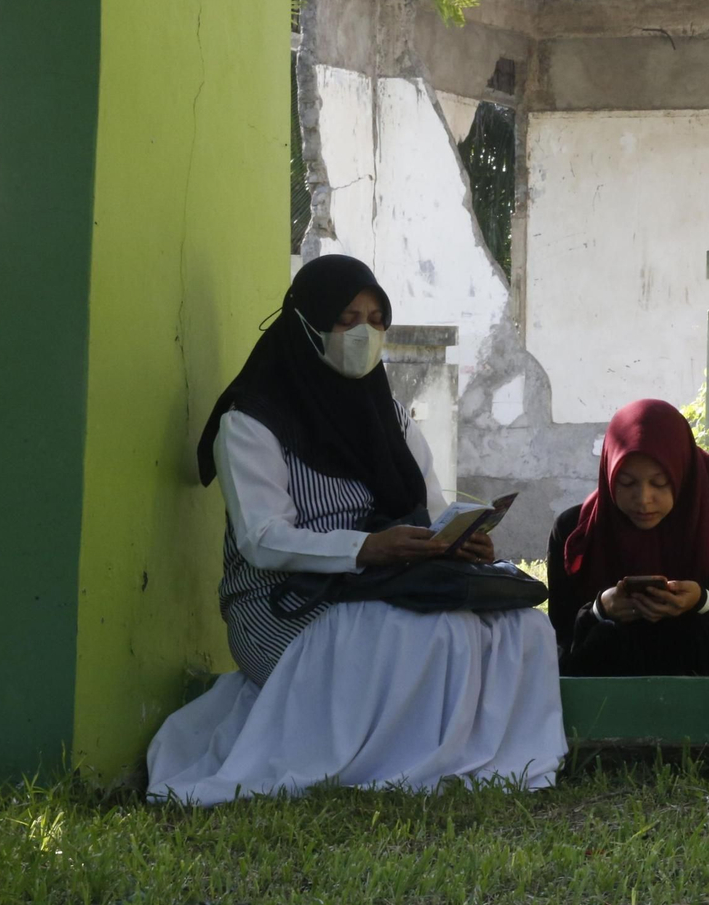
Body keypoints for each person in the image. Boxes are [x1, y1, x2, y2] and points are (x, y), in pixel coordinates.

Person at [145, 255, 566, 805]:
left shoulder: (385, 412)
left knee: (522, 630)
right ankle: (409, 766)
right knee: (435, 634)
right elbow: (261, 539)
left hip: (389, 582)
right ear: (306, 321)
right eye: (346, 318)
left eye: (375, 318)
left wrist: (456, 541)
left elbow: (431, 506)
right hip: (284, 603)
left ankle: (488, 761)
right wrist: (365, 548)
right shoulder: (250, 421)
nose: (363, 333)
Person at [546, 399, 709, 676]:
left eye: (660, 483)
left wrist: (702, 602)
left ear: (683, 475)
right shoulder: (576, 533)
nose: (643, 499)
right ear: (608, 473)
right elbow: (559, 646)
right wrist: (600, 610)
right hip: (603, 705)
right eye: (626, 483)